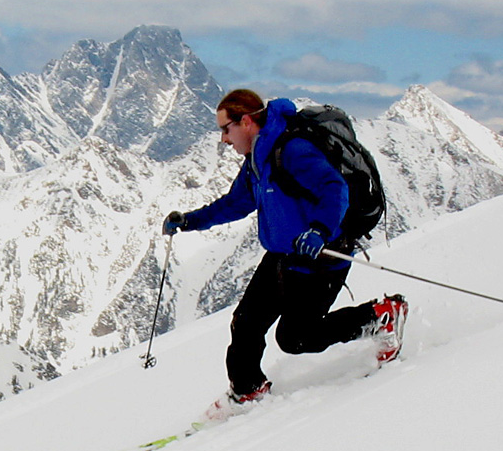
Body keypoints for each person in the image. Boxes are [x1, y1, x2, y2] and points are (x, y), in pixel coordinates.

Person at [163, 89, 407, 420]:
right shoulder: (257, 158)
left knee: (296, 338)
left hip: (322, 254)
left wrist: (320, 230)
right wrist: (191, 221)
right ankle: (247, 390)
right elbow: (236, 202)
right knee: (246, 323)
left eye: (226, 129)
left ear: (246, 121)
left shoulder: (291, 150)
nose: (223, 138)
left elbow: (334, 189)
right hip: (283, 254)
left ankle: (380, 316)